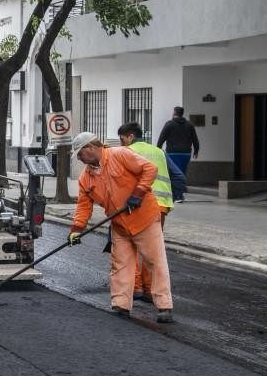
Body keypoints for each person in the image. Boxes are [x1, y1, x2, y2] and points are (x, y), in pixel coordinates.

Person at [69, 131, 175, 323]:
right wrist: (77, 229)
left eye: (80, 154)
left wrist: (139, 193)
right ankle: (121, 304)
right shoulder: (86, 178)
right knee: (121, 265)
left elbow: (149, 169)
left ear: (90, 148)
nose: (79, 158)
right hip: (119, 225)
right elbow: (84, 206)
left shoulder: (120, 155)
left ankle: (164, 306)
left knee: (155, 263)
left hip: (145, 219)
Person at [117, 122, 186, 303]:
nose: (121, 143)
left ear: (130, 136)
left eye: (122, 139)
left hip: (136, 205)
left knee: (130, 246)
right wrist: (174, 196)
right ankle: (149, 290)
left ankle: (136, 287)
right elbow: (179, 177)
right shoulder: (159, 152)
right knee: (152, 249)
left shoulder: (127, 152)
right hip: (161, 206)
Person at [156, 106, 200, 190]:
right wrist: (196, 151)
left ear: (174, 112)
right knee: (182, 170)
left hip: (172, 152)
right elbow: (195, 138)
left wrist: (158, 149)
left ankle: (177, 190)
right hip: (186, 153)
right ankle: (182, 187)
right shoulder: (189, 125)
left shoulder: (169, 124)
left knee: (173, 172)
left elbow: (162, 137)